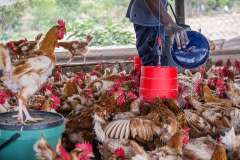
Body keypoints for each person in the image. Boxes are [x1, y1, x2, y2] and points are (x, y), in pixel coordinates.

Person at [126, 0, 189, 68]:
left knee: (159, 60)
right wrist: (170, 23)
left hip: (155, 18)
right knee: (154, 64)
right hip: (148, 20)